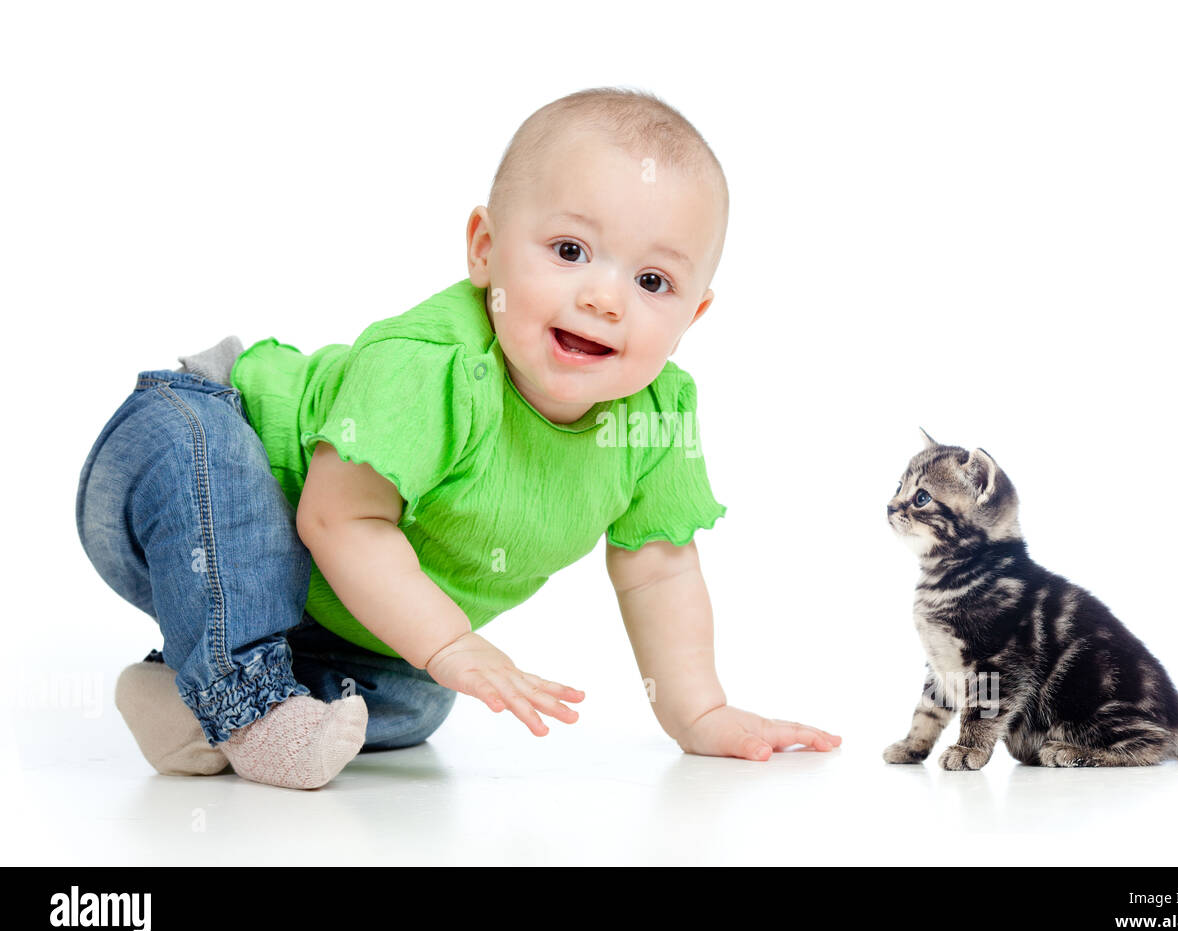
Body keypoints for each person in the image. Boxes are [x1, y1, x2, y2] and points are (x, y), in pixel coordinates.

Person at [76, 86, 841, 790]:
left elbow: (660, 572)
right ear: (484, 248)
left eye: (653, 283)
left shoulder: (655, 416)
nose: (605, 298)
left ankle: (188, 697)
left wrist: (700, 713)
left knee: (417, 701)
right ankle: (251, 711)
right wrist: (453, 640)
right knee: (225, 475)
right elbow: (335, 519)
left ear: (693, 318)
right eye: (570, 251)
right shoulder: (432, 366)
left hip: (322, 602)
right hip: (192, 454)